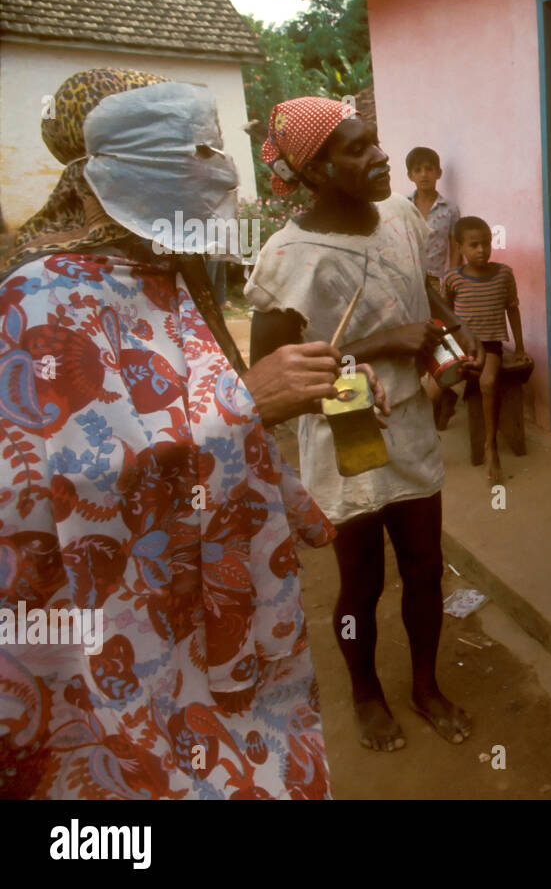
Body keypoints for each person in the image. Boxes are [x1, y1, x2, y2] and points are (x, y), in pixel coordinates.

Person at [0, 70, 354, 798]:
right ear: (104, 165)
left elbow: (202, 396)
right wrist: (244, 402)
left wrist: (295, 498)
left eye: (217, 149)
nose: (220, 169)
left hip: (220, 622)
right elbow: (58, 491)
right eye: (195, 151)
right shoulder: (38, 300)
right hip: (124, 636)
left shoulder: (164, 271)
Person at [246, 97, 474, 752]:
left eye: (375, 140)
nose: (379, 156)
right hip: (346, 421)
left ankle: (425, 685)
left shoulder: (402, 215)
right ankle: (367, 692)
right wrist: (381, 344)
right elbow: (275, 382)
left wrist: (446, 337)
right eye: (356, 148)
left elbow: (418, 286)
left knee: (427, 567)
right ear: (313, 172)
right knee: (362, 581)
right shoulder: (289, 257)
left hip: (410, 418)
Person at [439, 216, 529, 484]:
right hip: (459, 346)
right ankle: (427, 440)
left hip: (489, 346)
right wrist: (445, 349)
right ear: (460, 247)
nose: (481, 250)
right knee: (431, 387)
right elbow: (445, 316)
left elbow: (512, 309)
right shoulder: (452, 279)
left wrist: (521, 347)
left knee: (488, 382)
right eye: (474, 245)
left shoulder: (503, 273)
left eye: (486, 243)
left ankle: (491, 447)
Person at [406, 146, 462, 296]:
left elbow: (456, 249)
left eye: (429, 169)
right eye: (417, 170)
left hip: (437, 282)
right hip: (407, 280)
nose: (424, 174)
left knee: (437, 319)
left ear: (438, 173)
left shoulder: (450, 210)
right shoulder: (403, 206)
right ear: (410, 175)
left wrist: (451, 280)